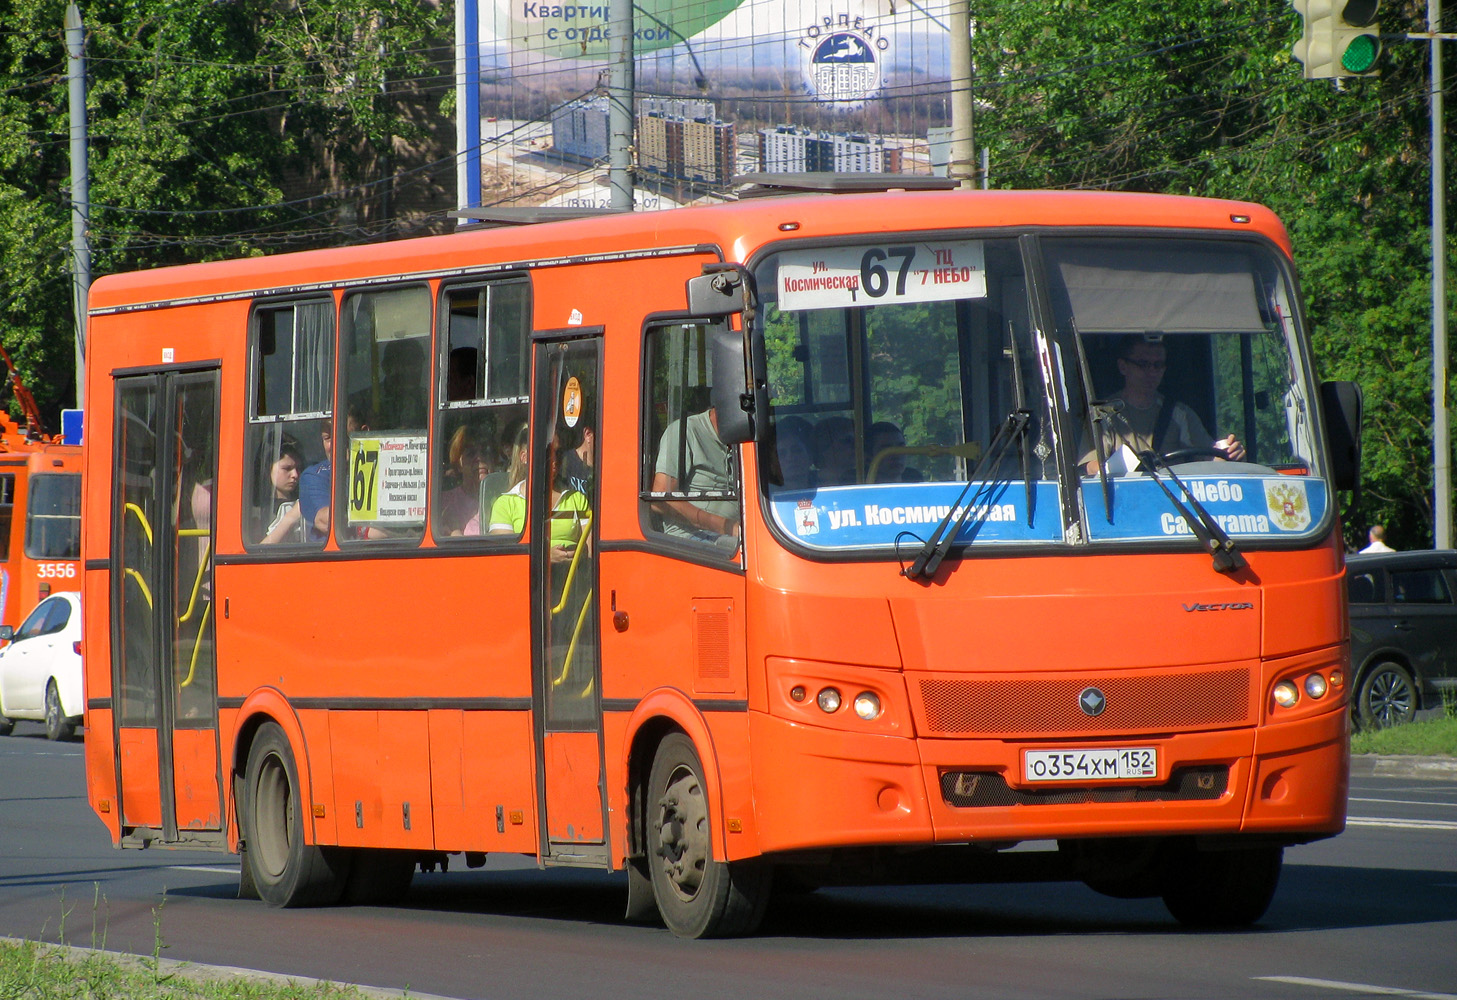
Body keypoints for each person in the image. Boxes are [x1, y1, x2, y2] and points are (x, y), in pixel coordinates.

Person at [1081, 334, 1245, 474]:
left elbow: (1212, 460)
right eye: (1143, 364)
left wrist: (1230, 454)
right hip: (1126, 502)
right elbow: (1090, 467)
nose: (1152, 372)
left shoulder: (1179, 414)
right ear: (1123, 367)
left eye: (1158, 365)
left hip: (1175, 505)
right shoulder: (1104, 414)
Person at [652, 406, 739, 543]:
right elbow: (660, 499)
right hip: (691, 536)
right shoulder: (685, 431)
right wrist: (726, 526)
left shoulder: (744, 441)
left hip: (739, 530)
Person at [436, 424, 491, 536]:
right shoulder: (445, 502)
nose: (479, 458)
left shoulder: (506, 498)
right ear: (459, 464)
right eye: (471, 454)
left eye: (485, 452)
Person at [254, 439, 305, 544]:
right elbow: (258, 552)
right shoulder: (255, 512)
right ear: (269, 469)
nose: (295, 475)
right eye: (287, 468)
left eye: (298, 468)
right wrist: (290, 518)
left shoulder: (305, 500)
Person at [769, 415, 816, 491]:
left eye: (797, 451)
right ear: (772, 465)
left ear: (810, 457)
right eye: (781, 454)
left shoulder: (828, 487)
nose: (790, 458)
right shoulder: (766, 497)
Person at [812, 415, 857, 486]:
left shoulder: (864, 479)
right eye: (848, 441)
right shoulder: (807, 485)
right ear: (825, 447)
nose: (856, 446)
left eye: (858, 440)